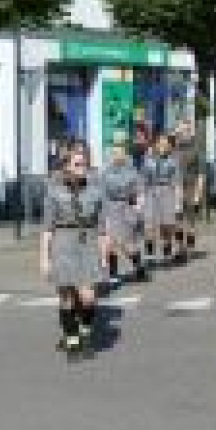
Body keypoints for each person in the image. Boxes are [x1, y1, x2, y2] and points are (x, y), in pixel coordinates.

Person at [41, 143, 106, 361]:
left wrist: (104, 255)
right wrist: (44, 259)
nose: (82, 167)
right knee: (67, 296)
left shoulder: (96, 190)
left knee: (88, 298)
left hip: (87, 242)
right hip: (63, 242)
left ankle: (84, 331)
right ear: (67, 166)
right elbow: (47, 228)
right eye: (78, 164)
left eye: (85, 164)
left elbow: (102, 227)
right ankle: (72, 340)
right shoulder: (54, 191)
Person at [100, 141, 147, 284]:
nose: (117, 156)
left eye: (120, 153)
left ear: (125, 155)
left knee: (127, 245)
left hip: (126, 208)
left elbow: (140, 191)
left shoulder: (132, 172)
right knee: (110, 242)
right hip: (110, 209)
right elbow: (101, 193)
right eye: (114, 153)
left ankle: (138, 266)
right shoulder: (106, 172)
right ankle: (113, 274)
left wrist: (138, 207)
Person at [142, 134, 181, 267]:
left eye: (166, 144)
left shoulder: (173, 160)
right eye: (160, 144)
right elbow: (143, 179)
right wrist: (141, 198)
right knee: (149, 225)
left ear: (169, 146)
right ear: (156, 145)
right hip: (151, 192)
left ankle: (167, 255)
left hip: (167, 192)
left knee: (167, 225)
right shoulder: (148, 159)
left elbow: (176, 181)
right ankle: (149, 256)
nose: (163, 147)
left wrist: (177, 201)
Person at [173, 120, 203, 263]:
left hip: (191, 187)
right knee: (177, 220)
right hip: (176, 188)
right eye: (180, 131)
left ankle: (189, 250)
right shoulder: (174, 149)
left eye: (184, 131)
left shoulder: (196, 149)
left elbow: (201, 174)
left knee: (190, 222)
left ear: (190, 132)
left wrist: (198, 194)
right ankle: (180, 249)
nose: (181, 133)